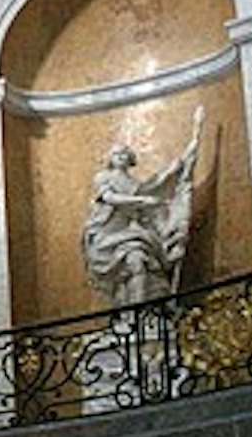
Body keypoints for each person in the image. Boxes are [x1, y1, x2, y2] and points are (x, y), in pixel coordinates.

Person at [83, 107, 205, 307]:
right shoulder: (103, 177)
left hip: (132, 233)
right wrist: (141, 202)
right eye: (116, 154)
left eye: (124, 153)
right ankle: (131, 317)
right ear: (110, 159)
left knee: (141, 262)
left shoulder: (135, 184)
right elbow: (109, 197)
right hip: (107, 234)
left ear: (130, 159)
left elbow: (158, 184)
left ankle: (140, 314)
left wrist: (183, 161)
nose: (121, 156)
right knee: (133, 264)